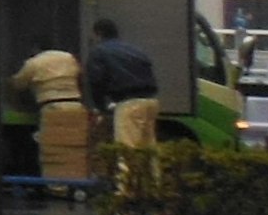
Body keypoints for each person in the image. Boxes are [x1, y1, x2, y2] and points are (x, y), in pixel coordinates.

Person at [13, 40, 89, 182]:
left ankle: (56, 183)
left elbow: (18, 84)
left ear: (36, 49)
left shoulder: (34, 62)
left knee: (53, 148)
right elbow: (81, 77)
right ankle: (77, 177)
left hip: (52, 107)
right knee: (75, 146)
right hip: (75, 105)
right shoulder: (68, 57)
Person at [86, 14, 162, 152]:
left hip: (129, 104)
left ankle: (126, 174)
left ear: (99, 33)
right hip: (150, 102)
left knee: (126, 149)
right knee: (148, 148)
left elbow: (96, 81)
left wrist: (100, 107)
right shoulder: (134, 50)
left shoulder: (99, 52)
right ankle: (152, 173)